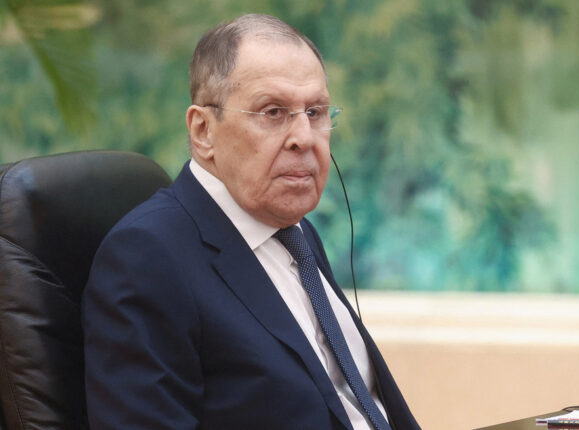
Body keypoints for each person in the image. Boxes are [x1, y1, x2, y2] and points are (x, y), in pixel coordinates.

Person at [83, 13, 420, 430]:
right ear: (203, 131)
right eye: (273, 112)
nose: (304, 137)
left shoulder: (293, 231)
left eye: (315, 112)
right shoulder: (146, 257)